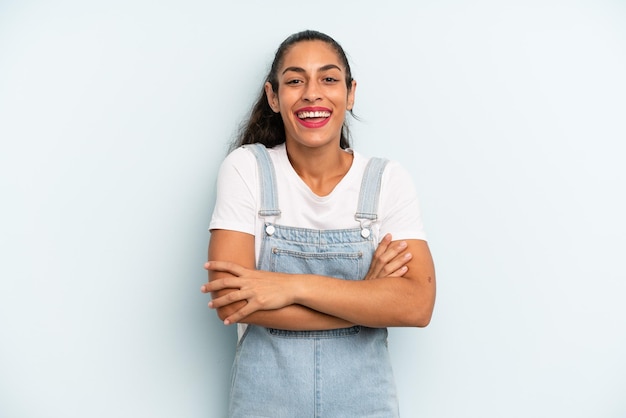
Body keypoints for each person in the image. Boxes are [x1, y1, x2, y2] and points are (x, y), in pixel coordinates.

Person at [201, 29, 436, 418]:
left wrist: (289, 286)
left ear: (350, 91)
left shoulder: (387, 181)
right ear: (273, 97)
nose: (312, 93)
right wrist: (368, 298)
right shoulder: (247, 169)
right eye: (295, 81)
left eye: (328, 79)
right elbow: (234, 301)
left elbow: (417, 306)